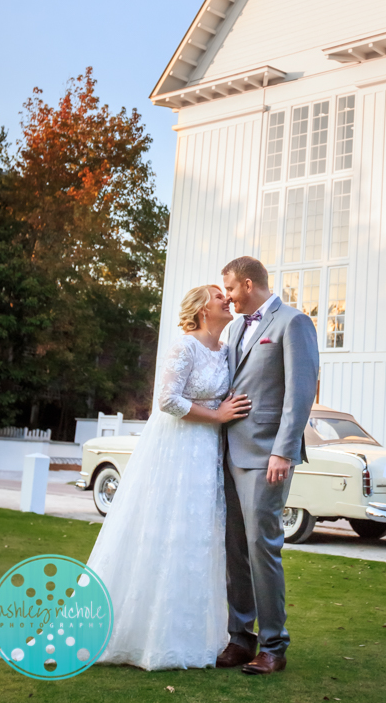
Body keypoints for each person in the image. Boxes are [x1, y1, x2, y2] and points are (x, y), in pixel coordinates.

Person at [87, 284, 251, 671]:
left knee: (199, 537)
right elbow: (167, 400)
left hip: (208, 454)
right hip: (177, 449)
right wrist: (216, 416)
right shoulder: (186, 346)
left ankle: (192, 636)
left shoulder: (226, 352)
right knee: (167, 529)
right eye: (218, 296)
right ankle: (142, 633)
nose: (226, 298)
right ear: (200, 310)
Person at [217, 256, 319, 675]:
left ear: (247, 283)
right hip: (227, 451)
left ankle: (274, 646)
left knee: (263, 548)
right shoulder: (236, 326)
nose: (226, 299)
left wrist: (283, 450)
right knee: (235, 550)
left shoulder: (293, 323)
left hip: (266, 456)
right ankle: (241, 639)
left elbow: (301, 391)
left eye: (230, 290)